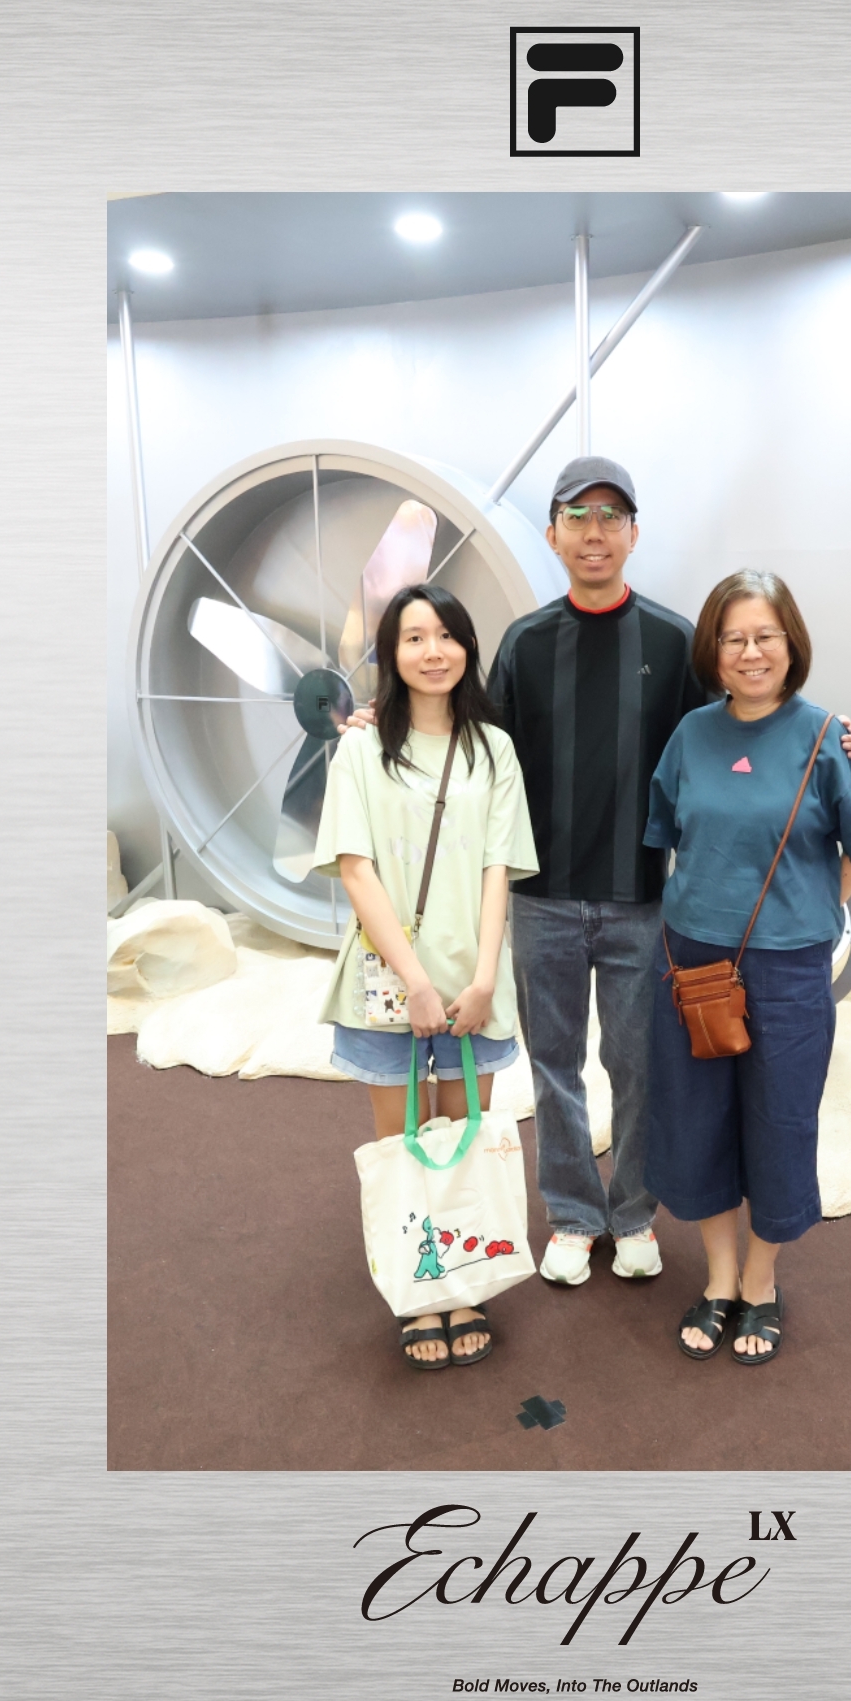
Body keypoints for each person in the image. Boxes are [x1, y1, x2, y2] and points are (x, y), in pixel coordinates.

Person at [346, 457, 851, 1288]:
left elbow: (744, 718)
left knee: (640, 1069)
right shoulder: (525, 643)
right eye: (577, 517)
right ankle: (571, 1214)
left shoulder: (670, 640)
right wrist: (386, 714)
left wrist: (842, 741)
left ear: (633, 534)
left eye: (611, 517)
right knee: (553, 1068)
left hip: (644, 902)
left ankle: (632, 1213)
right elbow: (475, 736)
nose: (594, 533)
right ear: (553, 534)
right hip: (541, 899)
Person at [643, 569, 851, 1365]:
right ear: (713, 652)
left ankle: (760, 1281)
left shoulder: (829, 737)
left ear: (791, 644)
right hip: (691, 961)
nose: (750, 653)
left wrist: (804, 914)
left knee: (780, 1121)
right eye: (733, 638)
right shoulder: (690, 735)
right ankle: (717, 1277)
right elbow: (668, 836)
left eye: (765, 636)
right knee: (697, 1119)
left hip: (788, 972)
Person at [311, 583, 538, 1371]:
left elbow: (498, 869)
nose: (432, 651)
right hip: (391, 979)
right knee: (402, 1141)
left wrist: (483, 978)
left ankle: (463, 1282)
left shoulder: (494, 749)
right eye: (414, 637)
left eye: (446, 635)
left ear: (468, 648)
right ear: (391, 653)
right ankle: (419, 1293)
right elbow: (356, 868)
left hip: (473, 980)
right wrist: (415, 981)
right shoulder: (360, 749)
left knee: (463, 1137)